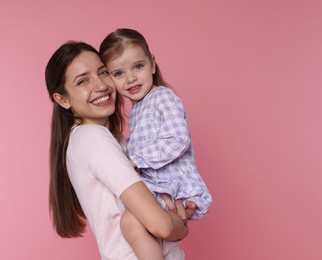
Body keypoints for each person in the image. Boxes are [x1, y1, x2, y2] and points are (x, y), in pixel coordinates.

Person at [45, 41, 197, 260]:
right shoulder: (92, 137)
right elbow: (161, 225)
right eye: (83, 81)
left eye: (103, 72)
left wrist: (173, 221)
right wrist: (179, 226)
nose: (101, 85)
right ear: (63, 100)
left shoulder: (114, 140)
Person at [99, 28, 213, 259]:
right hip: (160, 186)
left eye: (138, 67)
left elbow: (177, 139)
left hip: (173, 185)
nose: (131, 78)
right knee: (141, 227)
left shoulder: (162, 96)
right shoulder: (139, 108)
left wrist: (135, 159)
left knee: (131, 223)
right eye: (119, 73)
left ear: (152, 64)